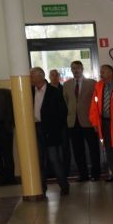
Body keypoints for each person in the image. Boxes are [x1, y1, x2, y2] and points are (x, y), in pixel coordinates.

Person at [31, 67, 70, 196]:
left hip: (50, 130)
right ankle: (41, 188)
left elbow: (63, 112)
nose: (30, 78)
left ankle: (64, 185)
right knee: (39, 160)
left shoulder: (54, 92)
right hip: (35, 128)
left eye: (32, 76)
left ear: (41, 76)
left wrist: (54, 129)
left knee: (54, 159)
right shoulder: (29, 92)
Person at [62, 60, 100, 182]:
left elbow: (96, 102)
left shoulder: (92, 83)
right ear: (71, 70)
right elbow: (65, 102)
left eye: (78, 68)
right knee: (78, 150)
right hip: (73, 122)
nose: (76, 70)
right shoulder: (66, 84)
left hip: (89, 121)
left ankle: (96, 174)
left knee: (93, 149)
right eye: (73, 68)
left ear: (82, 69)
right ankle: (83, 174)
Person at [90, 64, 113, 181]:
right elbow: (94, 106)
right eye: (101, 72)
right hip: (104, 122)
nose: (101, 74)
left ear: (110, 73)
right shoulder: (98, 86)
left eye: (103, 72)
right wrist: (95, 123)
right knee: (109, 149)